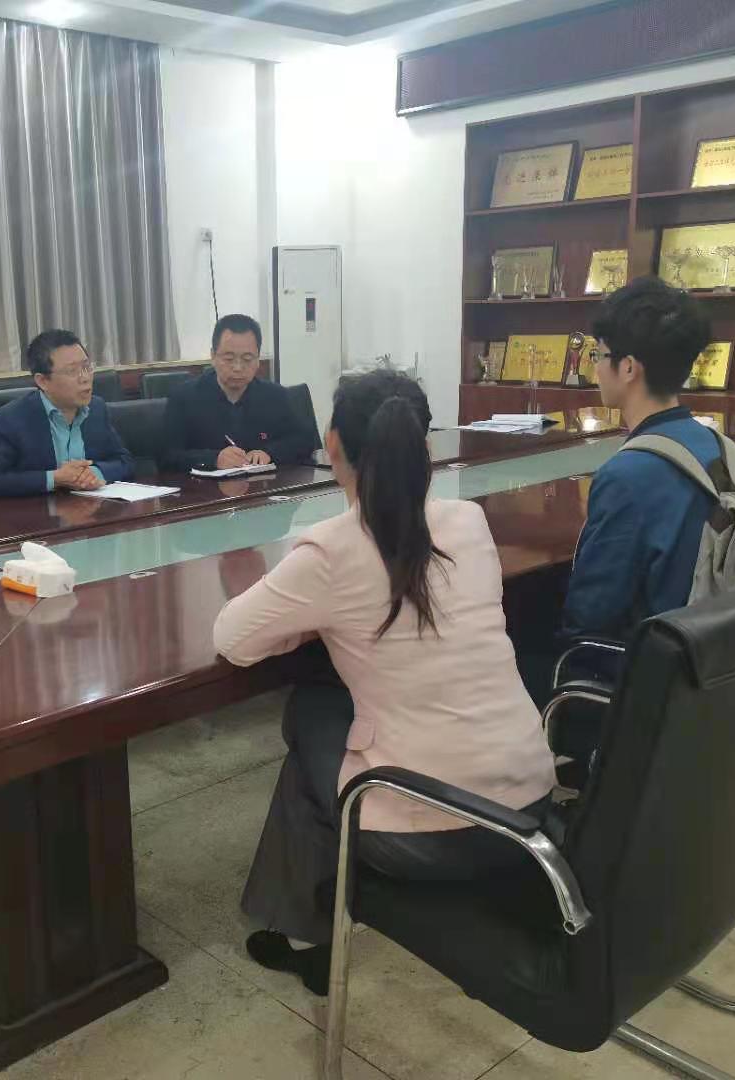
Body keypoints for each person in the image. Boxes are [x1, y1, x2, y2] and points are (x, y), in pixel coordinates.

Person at [213, 369, 557, 994]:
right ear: (423, 446)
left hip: (432, 827)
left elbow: (232, 640)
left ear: (332, 446)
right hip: (531, 796)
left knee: (312, 715)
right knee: (332, 718)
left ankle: (310, 935)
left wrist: (306, 626)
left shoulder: (330, 548)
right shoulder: (468, 521)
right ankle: (300, 921)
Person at [561, 276, 727, 640]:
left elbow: (589, 615)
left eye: (599, 355)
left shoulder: (627, 476)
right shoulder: (721, 447)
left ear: (628, 368)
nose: (595, 368)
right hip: (716, 651)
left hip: (645, 662)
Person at [0, 329, 134, 499]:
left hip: (88, 509)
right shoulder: (9, 419)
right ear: (43, 381)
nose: (85, 378)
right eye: (72, 371)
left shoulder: (97, 409)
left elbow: (125, 461)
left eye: (86, 367)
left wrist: (94, 473)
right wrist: (54, 479)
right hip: (35, 513)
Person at [160, 314, 318, 473]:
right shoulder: (184, 398)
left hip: (262, 485)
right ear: (213, 356)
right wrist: (213, 459)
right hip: (205, 487)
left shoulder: (274, 395)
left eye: (247, 359)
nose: (238, 367)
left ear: (258, 360)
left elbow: (304, 441)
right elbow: (167, 457)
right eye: (229, 359)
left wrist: (269, 453)